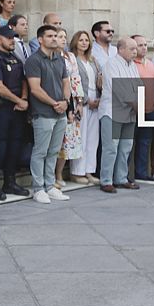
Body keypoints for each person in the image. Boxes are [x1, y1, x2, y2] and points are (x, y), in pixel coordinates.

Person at [25, 25, 71, 204]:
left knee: (54, 151)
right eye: (50, 36)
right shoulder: (34, 61)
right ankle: (38, 188)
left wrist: (65, 102)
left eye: (56, 35)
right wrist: (54, 103)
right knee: (40, 151)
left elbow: (66, 82)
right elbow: (35, 89)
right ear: (40, 40)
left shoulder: (60, 58)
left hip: (60, 112)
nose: (54, 38)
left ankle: (50, 186)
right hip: (43, 112)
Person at [0, 25, 29, 199]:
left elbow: (23, 80)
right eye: (9, 38)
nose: (12, 41)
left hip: (17, 109)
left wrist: (24, 99)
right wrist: (19, 101)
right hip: (1, 109)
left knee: (14, 146)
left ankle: (10, 182)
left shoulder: (15, 57)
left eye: (13, 38)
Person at [99, 38, 142, 193]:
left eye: (135, 49)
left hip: (130, 112)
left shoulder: (133, 66)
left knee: (125, 147)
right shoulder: (111, 64)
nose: (135, 51)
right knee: (111, 147)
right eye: (131, 49)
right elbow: (118, 88)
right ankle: (106, 180)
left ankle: (121, 178)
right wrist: (136, 104)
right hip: (112, 111)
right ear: (121, 49)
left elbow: (139, 85)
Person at [70, 30, 102, 185]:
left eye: (86, 40)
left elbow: (98, 78)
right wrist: (87, 100)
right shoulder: (72, 59)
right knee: (80, 137)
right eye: (81, 40)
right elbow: (73, 82)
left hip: (95, 100)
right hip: (81, 102)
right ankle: (77, 172)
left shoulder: (92, 60)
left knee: (92, 139)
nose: (84, 43)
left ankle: (89, 170)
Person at [54, 28, 84, 188]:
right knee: (56, 141)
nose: (63, 39)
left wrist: (79, 102)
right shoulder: (51, 56)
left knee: (67, 141)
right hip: (57, 100)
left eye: (64, 37)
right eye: (59, 36)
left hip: (71, 100)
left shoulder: (70, 56)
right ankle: (50, 174)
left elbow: (76, 78)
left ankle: (59, 172)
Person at [132, 34, 154, 181]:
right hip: (134, 111)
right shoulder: (130, 64)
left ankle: (142, 173)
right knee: (129, 143)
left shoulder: (150, 64)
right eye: (139, 45)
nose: (143, 48)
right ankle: (125, 174)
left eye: (144, 44)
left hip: (150, 110)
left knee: (145, 143)